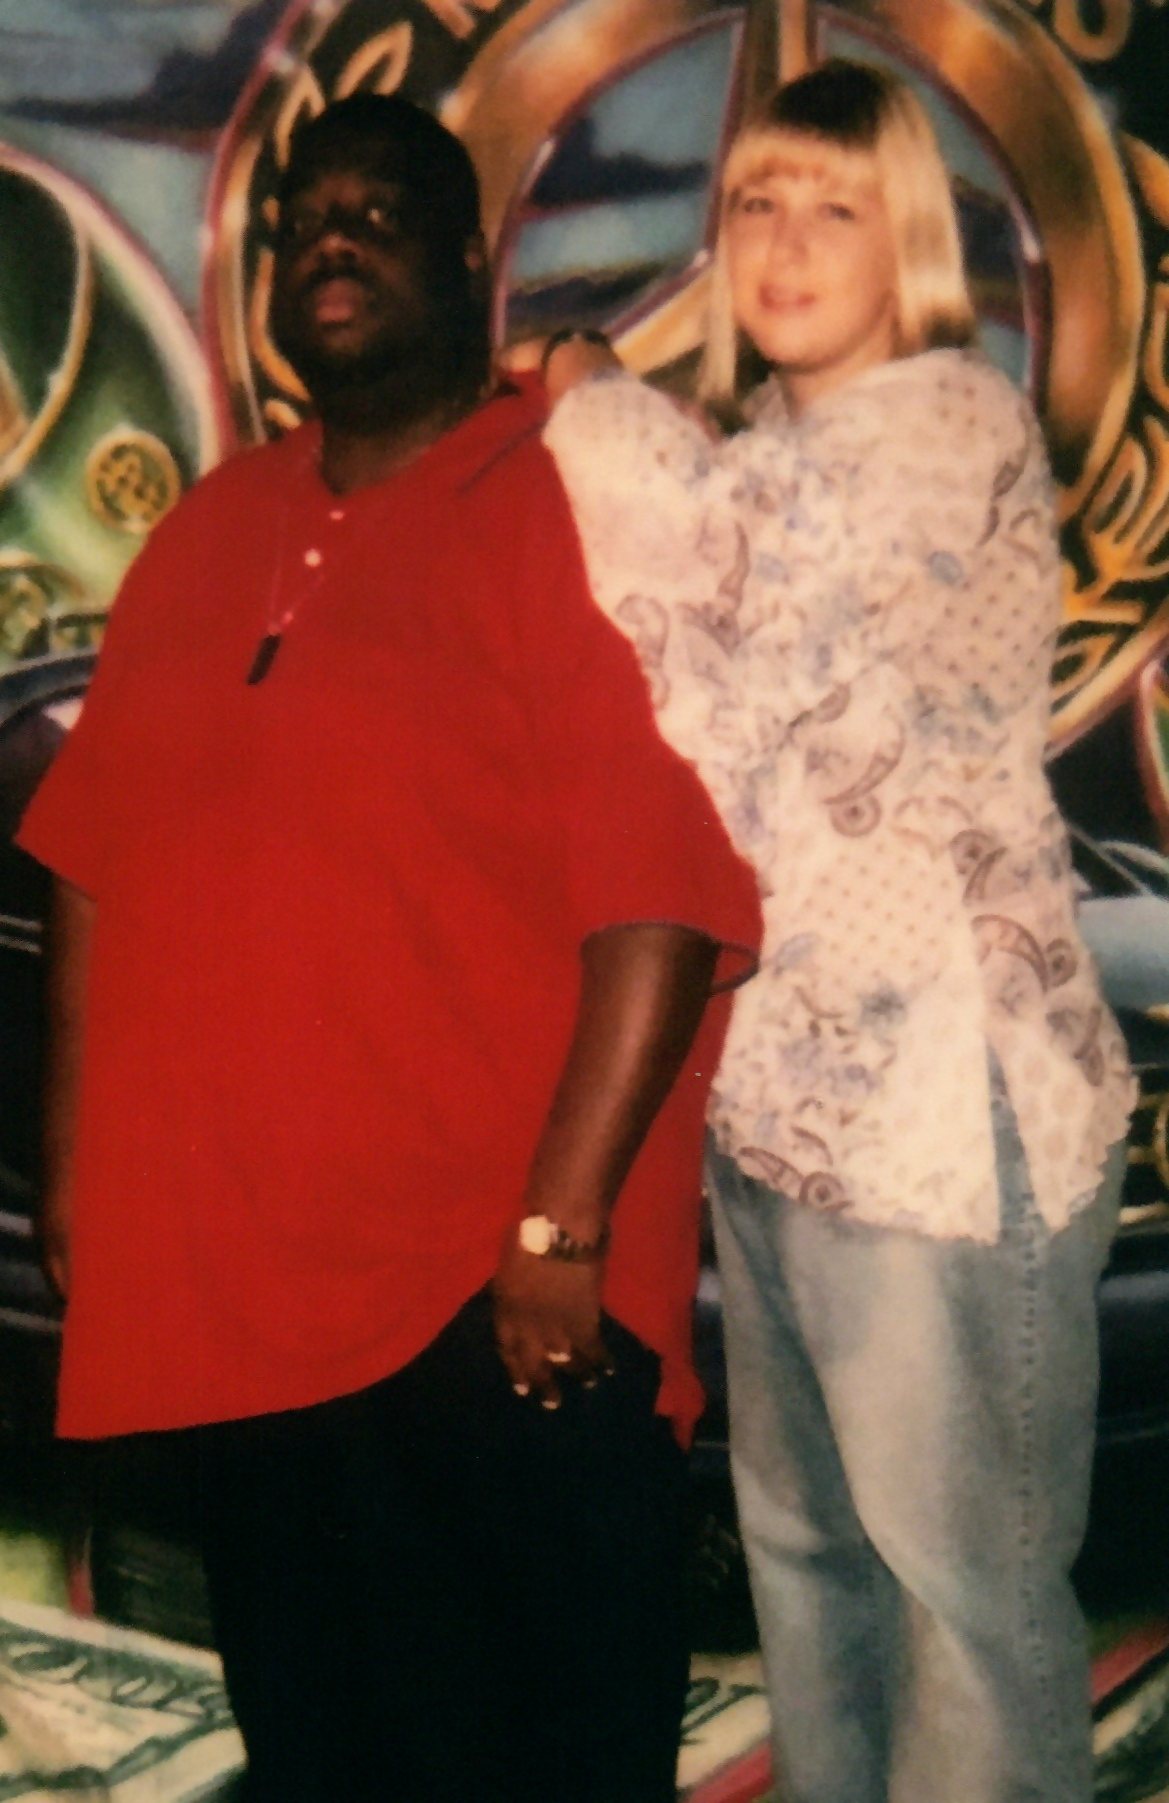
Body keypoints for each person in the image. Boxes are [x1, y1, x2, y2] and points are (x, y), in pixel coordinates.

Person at [18, 95, 761, 1803]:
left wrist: (556, 1231)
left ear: (468, 260)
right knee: (325, 1744)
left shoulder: (568, 512)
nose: (330, 240)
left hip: (494, 1300)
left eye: (377, 212)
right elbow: (89, 866)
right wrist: (75, 1169)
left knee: (541, 1755)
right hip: (247, 1297)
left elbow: (661, 904)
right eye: (303, 221)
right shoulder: (208, 534)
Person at [544, 58, 1136, 1803]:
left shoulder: (947, 422)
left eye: (836, 207)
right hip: (785, 1104)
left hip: (952, 1118)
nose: (784, 244)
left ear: (912, 245)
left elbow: (724, 571)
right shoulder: (774, 449)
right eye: (754, 203)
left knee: (962, 1597)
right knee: (809, 1571)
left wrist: (584, 387)